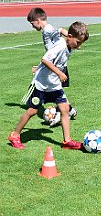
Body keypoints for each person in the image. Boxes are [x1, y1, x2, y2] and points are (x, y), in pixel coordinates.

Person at [8, 21, 89, 150]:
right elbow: (45, 59)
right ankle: (15, 135)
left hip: (54, 85)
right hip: (41, 84)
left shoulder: (69, 44)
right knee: (32, 111)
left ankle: (67, 141)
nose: (79, 46)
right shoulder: (61, 46)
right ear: (70, 37)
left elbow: (62, 30)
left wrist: (65, 33)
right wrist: (59, 73)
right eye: (78, 42)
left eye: (81, 43)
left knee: (64, 109)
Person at [27, 7, 77, 126]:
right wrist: (39, 67)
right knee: (59, 91)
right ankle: (70, 110)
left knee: (57, 91)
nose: (32, 26)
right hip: (54, 63)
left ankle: (60, 115)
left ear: (38, 20)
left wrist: (73, 39)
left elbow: (60, 30)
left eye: (32, 23)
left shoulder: (47, 29)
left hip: (56, 66)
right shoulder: (47, 30)